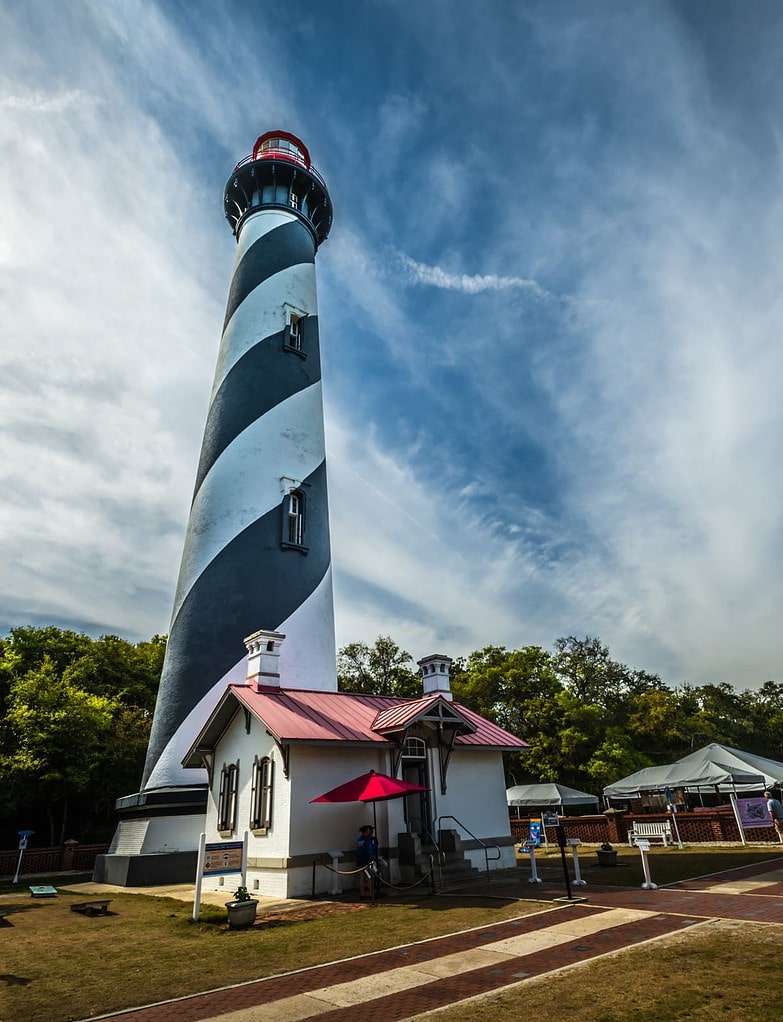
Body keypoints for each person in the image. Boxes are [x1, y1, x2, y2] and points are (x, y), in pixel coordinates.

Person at [356, 824, 378, 898]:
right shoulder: (367, 839)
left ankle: (362, 894)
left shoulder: (360, 840)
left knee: (362, 877)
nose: (371, 832)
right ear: (366, 831)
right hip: (367, 860)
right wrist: (371, 859)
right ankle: (371, 894)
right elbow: (369, 851)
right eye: (370, 830)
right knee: (370, 877)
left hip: (360, 860)